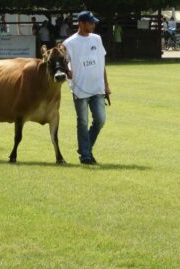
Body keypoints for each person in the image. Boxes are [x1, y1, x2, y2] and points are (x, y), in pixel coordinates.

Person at [63, 11, 110, 165]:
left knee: (100, 120)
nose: (93, 25)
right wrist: (67, 72)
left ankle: (85, 147)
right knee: (82, 122)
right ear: (81, 23)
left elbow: (102, 64)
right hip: (80, 89)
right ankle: (85, 155)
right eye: (90, 22)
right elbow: (63, 65)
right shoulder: (69, 43)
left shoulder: (97, 39)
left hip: (97, 88)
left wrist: (106, 85)